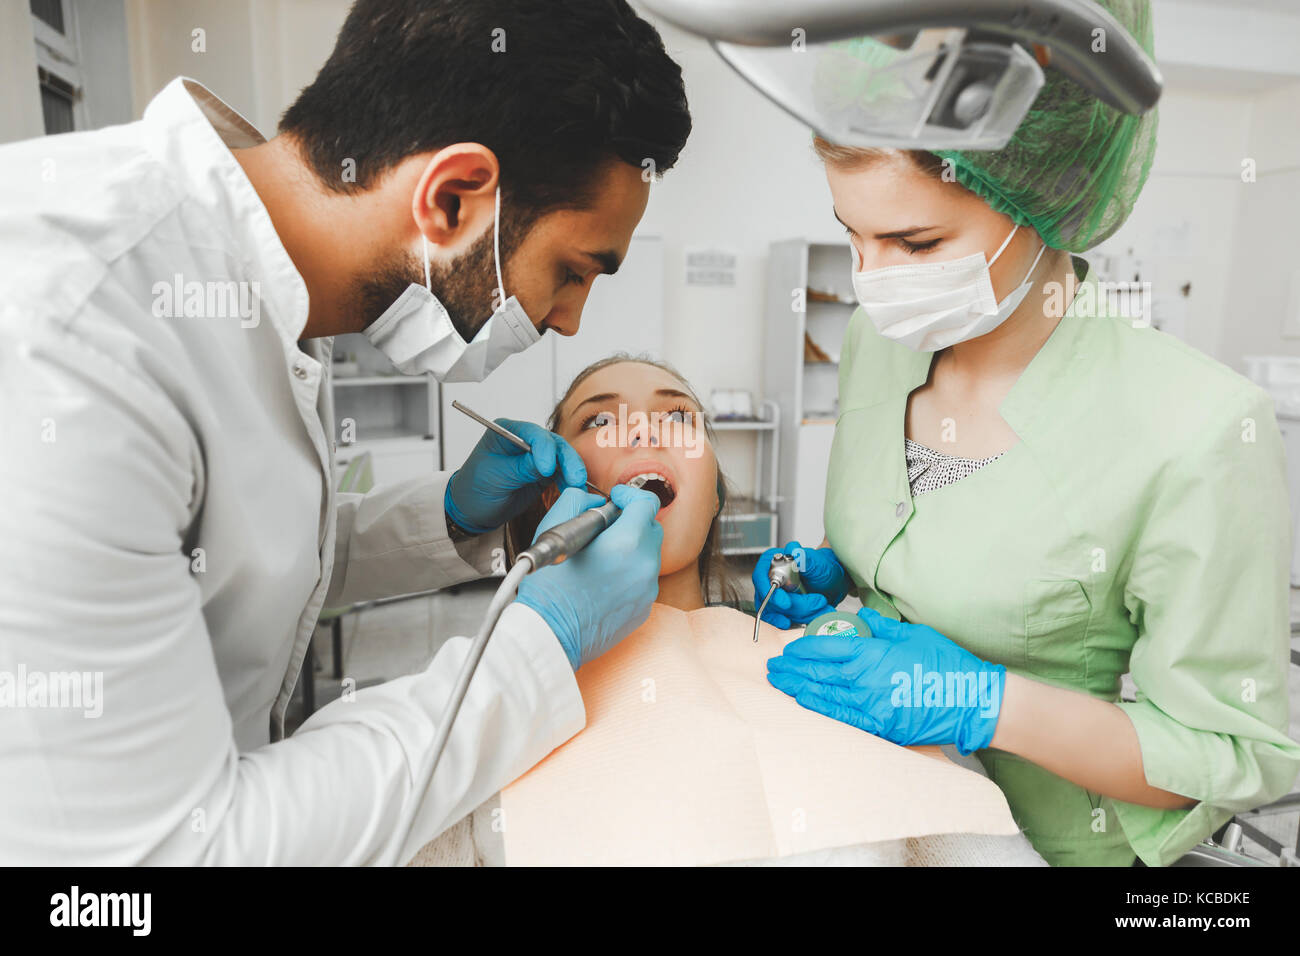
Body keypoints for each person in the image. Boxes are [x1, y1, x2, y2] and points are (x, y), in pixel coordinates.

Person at [0, 0, 690, 864]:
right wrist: (538, 647)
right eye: (571, 270)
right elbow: (170, 855)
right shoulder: (69, 341)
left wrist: (451, 517)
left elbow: (217, 556)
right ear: (451, 199)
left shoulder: (261, 284)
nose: (571, 323)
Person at [758, 0, 1300, 866]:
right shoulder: (879, 345)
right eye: (850, 235)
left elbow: (1225, 757)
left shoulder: (1194, 428)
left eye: (916, 241)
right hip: (862, 804)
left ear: (1044, 199)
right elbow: (923, 535)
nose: (872, 281)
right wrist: (835, 569)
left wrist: (983, 701)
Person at [410, 355, 1046, 866]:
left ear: (715, 489)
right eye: (601, 422)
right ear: (554, 492)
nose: (643, 428)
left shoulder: (844, 671)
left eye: (678, 417)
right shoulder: (491, 695)